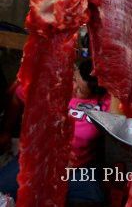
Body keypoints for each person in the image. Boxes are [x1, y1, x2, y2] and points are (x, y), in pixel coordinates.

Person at [0, 58, 111, 204]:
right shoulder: (55, 84)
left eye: (80, 90)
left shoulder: (105, 103)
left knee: (91, 201)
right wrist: (6, 130)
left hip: (77, 170)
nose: (73, 87)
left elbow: (120, 121)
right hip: (36, 161)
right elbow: (18, 95)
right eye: (74, 79)